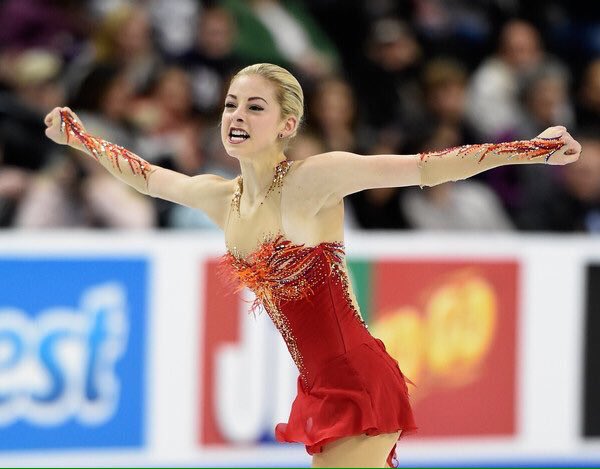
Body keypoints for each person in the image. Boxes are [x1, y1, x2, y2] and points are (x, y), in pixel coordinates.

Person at [44, 63, 581, 467]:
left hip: (358, 380)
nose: (237, 116)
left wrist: (531, 150)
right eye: (231, 104)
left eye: (255, 107)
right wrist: (80, 138)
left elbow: (426, 168)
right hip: (320, 384)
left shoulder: (314, 179)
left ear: (287, 124)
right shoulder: (221, 197)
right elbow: (148, 177)